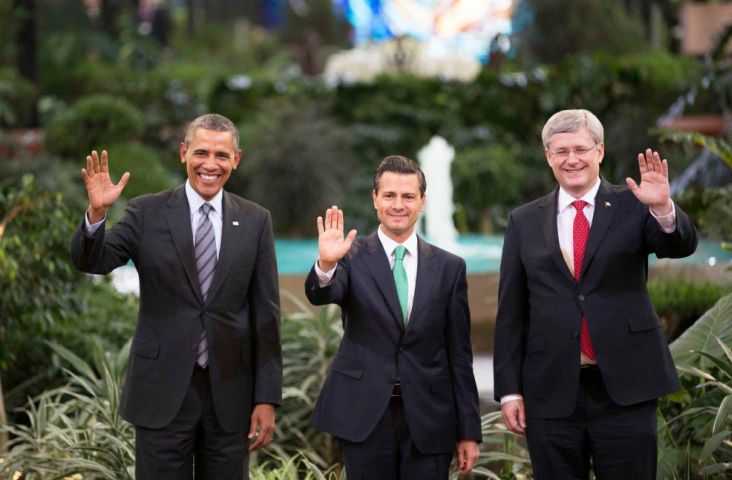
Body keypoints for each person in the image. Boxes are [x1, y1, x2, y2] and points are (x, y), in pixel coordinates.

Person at [71, 113, 282, 479]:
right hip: (161, 391)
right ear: (184, 153)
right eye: (201, 153)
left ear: (237, 159)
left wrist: (266, 398)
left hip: (230, 396)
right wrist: (97, 213)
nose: (210, 165)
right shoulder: (145, 212)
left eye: (222, 155)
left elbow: (266, 314)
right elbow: (94, 261)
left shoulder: (255, 220)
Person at [493, 109, 698, 479]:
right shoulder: (523, 220)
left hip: (625, 387)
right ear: (548, 157)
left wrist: (664, 209)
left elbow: (680, 245)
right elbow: (511, 312)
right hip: (551, 391)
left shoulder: (634, 204)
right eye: (560, 151)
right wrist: (509, 391)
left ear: (599, 151)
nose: (571, 159)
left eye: (580, 148)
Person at [304, 155, 481, 479]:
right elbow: (322, 294)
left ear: (422, 202)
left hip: (429, 417)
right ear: (375, 199)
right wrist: (326, 265)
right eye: (389, 195)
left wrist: (469, 430)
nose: (398, 204)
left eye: (408, 196)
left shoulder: (449, 267)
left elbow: (459, 354)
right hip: (366, 413)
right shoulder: (350, 256)